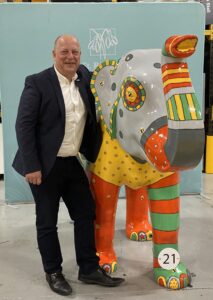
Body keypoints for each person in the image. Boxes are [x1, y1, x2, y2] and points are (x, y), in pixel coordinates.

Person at [12, 34, 124, 296]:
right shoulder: (37, 82)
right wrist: (32, 166)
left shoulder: (83, 77)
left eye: (75, 52)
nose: (70, 57)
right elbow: (24, 125)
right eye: (64, 52)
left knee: (85, 213)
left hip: (72, 162)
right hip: (44, 166)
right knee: (47, 222)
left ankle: (89, 269)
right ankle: (53, 272)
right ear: (54, 54)